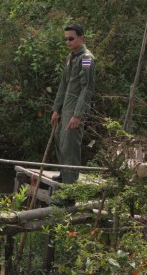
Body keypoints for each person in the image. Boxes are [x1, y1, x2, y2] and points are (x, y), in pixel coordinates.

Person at [51, 24, 96, 184]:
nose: (67, 42)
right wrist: (56, 109)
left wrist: (78, 114)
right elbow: (63, 85)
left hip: (76, 108)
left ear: (81, 38)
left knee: (70, 147)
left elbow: (87, 88)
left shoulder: (86, 59)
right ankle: (64, 174)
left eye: (71, 38)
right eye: (66, 39)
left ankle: (70, 193)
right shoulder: (71, 58)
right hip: (65, 108)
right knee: (60, 140)